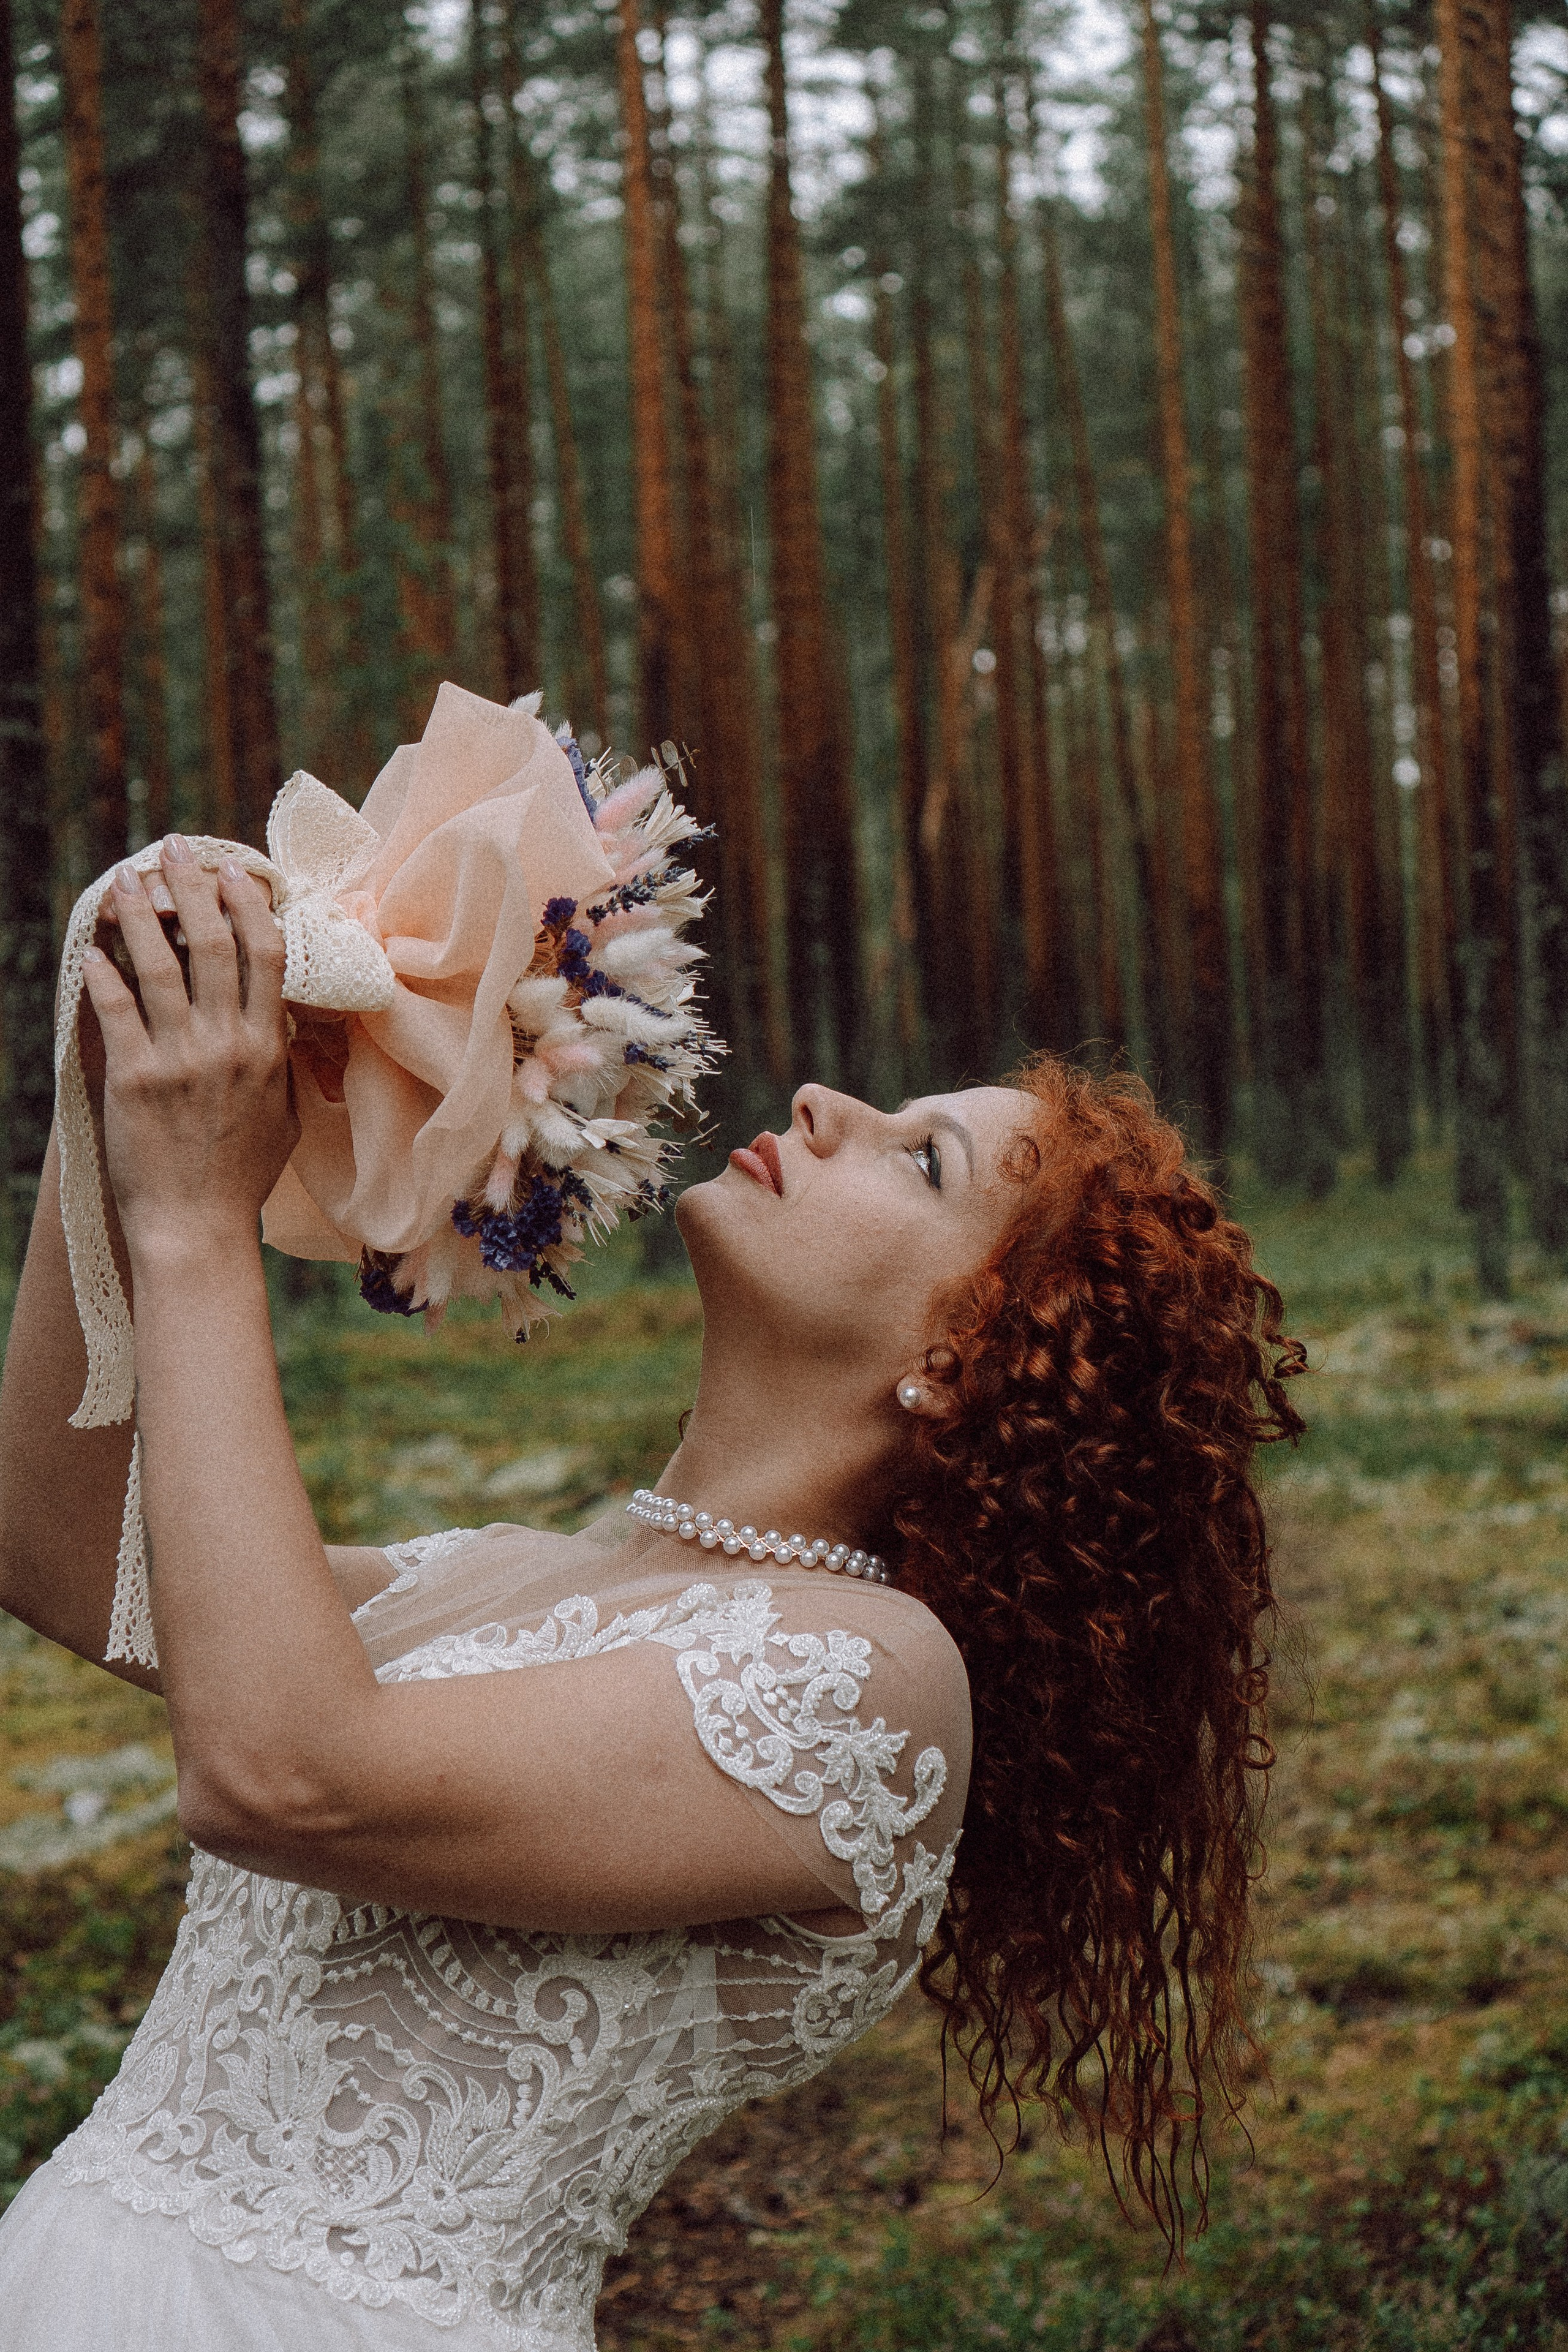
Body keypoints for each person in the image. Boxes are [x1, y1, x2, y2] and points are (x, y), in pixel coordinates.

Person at [0, 840, 1303, 2348]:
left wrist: (191, 1219)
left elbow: (284, 1774)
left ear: (956, 1362)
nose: (827, 1105)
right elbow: (54, 1541)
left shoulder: (872, 1681)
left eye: (918, 1157)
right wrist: (122, 1095)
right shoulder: (508, 1572)